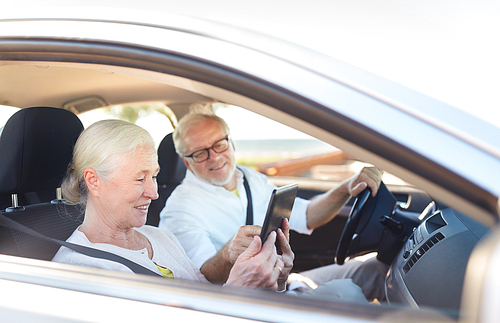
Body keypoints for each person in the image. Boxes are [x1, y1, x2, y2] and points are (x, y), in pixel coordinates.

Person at [159, 109, 388, 301]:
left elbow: (307, 216)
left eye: (219, 144)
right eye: (200, 153)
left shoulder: (250, 177)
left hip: (283, 280)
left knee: (377, 270)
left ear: (231, 144)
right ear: (187, 163)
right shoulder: (180, 209)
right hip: (246, 301)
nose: (215, 157)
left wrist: (346, 188)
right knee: (346, 293)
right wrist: (228, 255)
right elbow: (202, 277)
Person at [52, 119, 292, 292]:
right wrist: (239, 289)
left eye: (154, 176)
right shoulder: (81, 271)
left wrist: (272, 278)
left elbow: (203, 293)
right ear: (94, 181)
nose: (154, 193)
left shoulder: (159, 237)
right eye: (139, 178)